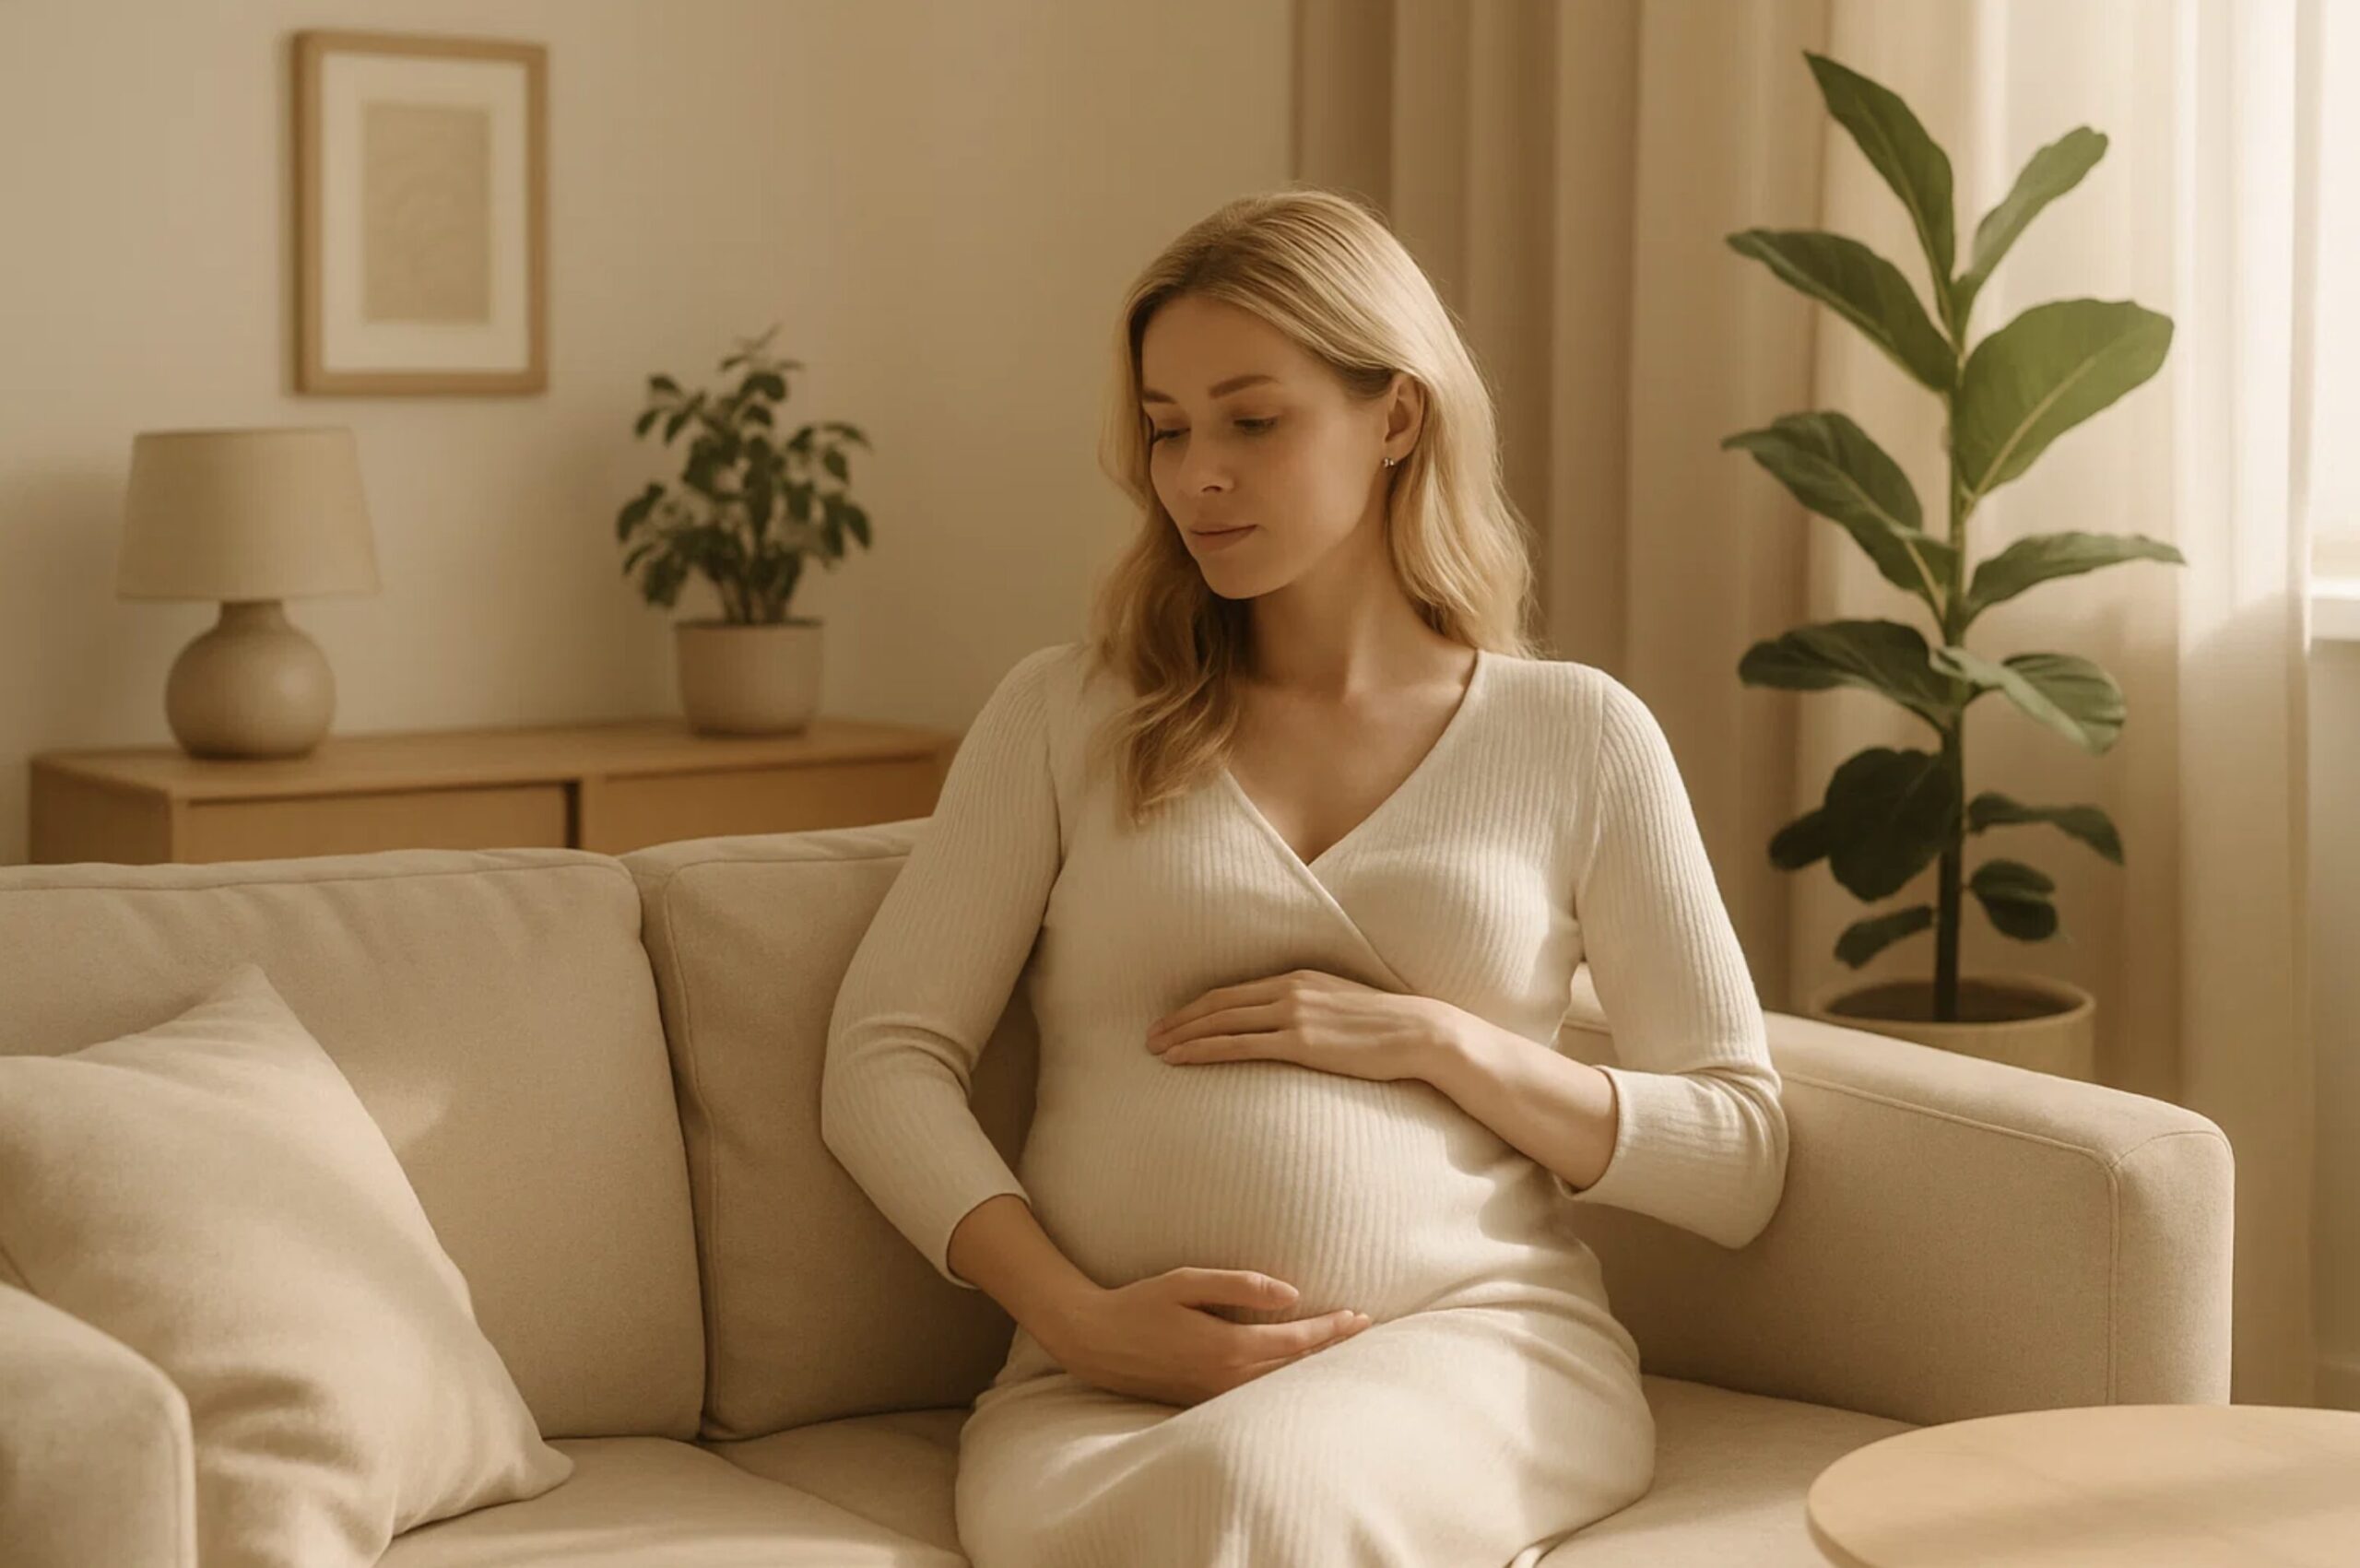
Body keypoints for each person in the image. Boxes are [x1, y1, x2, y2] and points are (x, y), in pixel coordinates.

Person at [820, 186, 1788, 1568]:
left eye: (1251, 420)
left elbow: (1739, 1154)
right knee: (1212, 1491)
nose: (1195, 472)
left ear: (1395, 417)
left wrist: (1436, 1040)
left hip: (1469, 1353)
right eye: (1165, 429)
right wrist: (1076, 1317)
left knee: (1255, 1492)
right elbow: (881, 1059)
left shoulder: (1576, 732)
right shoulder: (1065, 714)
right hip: (1100, 1390)